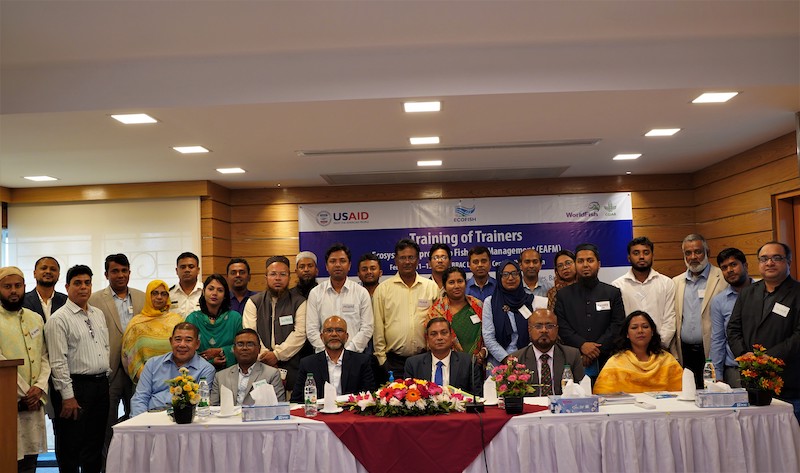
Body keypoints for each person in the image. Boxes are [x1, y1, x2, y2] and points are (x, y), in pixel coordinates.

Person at [45, 265, 110, 473]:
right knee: (70, 448)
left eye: (87, 283)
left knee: (95, 445)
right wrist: (67, 396)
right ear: (67, 286)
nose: (83, 287)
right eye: (77, 283)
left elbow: (105, 347)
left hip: (100, 386)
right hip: (75, 389)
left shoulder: (98, 313)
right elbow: (57, 362)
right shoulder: (59, 319)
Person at [728, 241, 800, 423]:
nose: (770, 263)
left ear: (788, 262)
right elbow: (733, 329)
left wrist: (768, 358)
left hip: (789, 384)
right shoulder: (748, 293)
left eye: (777, 258)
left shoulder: (798, 293)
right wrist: (745, 356)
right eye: (764, 259)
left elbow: (798, 336)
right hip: (751, 383)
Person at [88, 253, 145, 450]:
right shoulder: (94, 300)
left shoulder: (143, 298)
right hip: (108, 370)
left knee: (137, 420)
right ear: (106, 274)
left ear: (129, 272)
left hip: (138, 370)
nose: (120, 275)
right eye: (115, 271)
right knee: (106, 424)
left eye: (124, 271)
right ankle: (107, 465)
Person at [0, 267, 50, 473]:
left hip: (34, 403)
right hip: (7, 405)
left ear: (24, 287)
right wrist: (24, 392)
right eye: (7, 286)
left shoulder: (35, 318)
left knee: (30, 462)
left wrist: (38, 388)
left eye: (18, 286)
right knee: (8, 461)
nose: (13, 291)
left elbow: (44, 356)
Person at [372, 239, 440, 379]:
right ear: (396, 260)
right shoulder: (383, 289)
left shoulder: (431, 287)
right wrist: (382, 360)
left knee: (426, 400)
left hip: (424, 359)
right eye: (402, 258)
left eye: (411, 257)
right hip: (393, 362)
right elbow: (378, 329)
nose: (407, 261)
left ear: (418, 259)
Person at [555, 243, 625, 379]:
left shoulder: (612, 293)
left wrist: (595, 349)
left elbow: (617, 324)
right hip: (574, 359)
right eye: (580, 261)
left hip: (607, 359)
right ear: (575, 265)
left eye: (590, 260)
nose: (585, 265)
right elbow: (562, 326)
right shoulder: (563, 295)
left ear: (599, 264)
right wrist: (582, 345)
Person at [243, 255, 309, 394]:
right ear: (266, 277)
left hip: (291, 367)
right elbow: (250, 333)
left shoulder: (299, 302)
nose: (278, 278)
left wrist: (277, 355)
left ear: (289, 277)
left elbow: (300, 334)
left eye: (282, 274)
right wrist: (264, 355)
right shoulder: (254, 302)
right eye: (273, 274)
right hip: (260, 366)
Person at [672, 234, 728, 388]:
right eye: (688, 253)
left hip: (712, 353)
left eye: (698, 252)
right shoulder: (676, 282)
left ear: (707, 252)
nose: (693, 257)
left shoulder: (722, 278)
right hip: (685, 353)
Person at [130, 322, 215, 416]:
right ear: (171, 341)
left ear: (197, 344)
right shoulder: (153, 364)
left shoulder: (205, 369)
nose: (182, 345)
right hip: (151, 418)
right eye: (178, 339)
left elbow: (201, 405)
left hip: (184, 421)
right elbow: (140, 398)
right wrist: (141, 423)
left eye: (188, 340)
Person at [593, 311, 683, 394]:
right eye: (634, 327)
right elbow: (602, 396)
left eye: (645, 327)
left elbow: (683, 391)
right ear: (627, 334)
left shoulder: (667, 360)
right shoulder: (615, 363)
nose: (640, 331)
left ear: (652, 331)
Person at [306, 243, 373, 353]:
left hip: (355, 356)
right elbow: (311, 329)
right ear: (327, 266)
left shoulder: (361, 293)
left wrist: (348, 352)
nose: (337, 265)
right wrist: (327, 352)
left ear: (349, 265)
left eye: (342, 261)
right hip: (324, 357)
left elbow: (367, 328)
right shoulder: (315, 293)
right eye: (333, 261)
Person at [291, 316, 375, 402]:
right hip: (319, 413)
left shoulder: (361, 362)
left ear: (346, 337)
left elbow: (369, 398)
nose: (334, 334)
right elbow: (296, 401)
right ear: (321, 337)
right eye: (329, 330)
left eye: (339, 330)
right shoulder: (308, 364)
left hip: (350, 413)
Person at [612, 237, 677, 348]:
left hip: (661, 349)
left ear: (652, 256)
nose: (641, 257)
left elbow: (670, 319)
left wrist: (658, 344)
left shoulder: (666, 283)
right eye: (636, 253)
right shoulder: (617, 286)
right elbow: (618, 322)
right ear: (629, 258)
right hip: (628, 350)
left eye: (646, 252)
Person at [121, 280, 184, 384]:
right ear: (148, 296)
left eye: (163, 294)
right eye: (155, 293)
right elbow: (130, 357)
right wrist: (148, 379)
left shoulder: (177, 321)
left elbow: (185, 351)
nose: (159, 297)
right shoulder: (137, 324)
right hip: (146, 382)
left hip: (175, 380)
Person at [509, 308, 584, 396]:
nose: (544, 330)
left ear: (557, 330)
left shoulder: (572, 355)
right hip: (531, 408)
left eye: (549, 326)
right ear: (529, 330)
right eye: (538, 326)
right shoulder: (516, 359)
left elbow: (581, 391)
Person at [404, 317, 483, 395]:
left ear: (451, 336)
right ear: (427, 339)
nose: (439, 337)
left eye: (444, 333)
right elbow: (409, 396)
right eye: (434, 334)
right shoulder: (413, 364)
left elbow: (476, 396)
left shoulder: (468, 362)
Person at [709, 248, 752, 387]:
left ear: (745, 266)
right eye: (724, 267)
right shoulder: (719, 301)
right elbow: (718, 339)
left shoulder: (763, 290)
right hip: (734, 369)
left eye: (733, 264)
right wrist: (717, 375)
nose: (729, 270)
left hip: (763, 366)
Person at [211, 328, 285, 405]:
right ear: (234, 349)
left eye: (250, 344)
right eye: (240, 344)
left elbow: (279, 407)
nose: (245, 348)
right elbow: (213, 408)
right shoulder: (220, 376)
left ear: (259, 349)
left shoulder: (272, 374)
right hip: (229, 416)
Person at [482, 260, 535, 367]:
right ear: (499, 278)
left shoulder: (530, 301)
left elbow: (535, 335)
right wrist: (506, 359)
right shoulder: (490, 302)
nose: (510, 278)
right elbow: (488, 337)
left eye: (514, 273)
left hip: (527, 359)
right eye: (505, 274)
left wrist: (524, 358)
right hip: (498, 361)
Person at [428, 266, 486, 364]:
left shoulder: (478, 305)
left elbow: (488, 333)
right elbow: (431, 341)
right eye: (451, 282)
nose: (456, 286)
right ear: (444, 286)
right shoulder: (436, 310)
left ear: (465, 283)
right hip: (449, 365)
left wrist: (483, 352)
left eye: (460, 281)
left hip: (478, 363)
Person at [185, 274, 243, 370]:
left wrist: (221, 351)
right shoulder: (193, 319)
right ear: (203, 292)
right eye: (210, 289)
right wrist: (210, 362)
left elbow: (241, 346)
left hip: (230, 373)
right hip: (198, 373)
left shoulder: (235, 318)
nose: (214, 293)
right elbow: (187, 349)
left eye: (220, 290)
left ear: (225, 295)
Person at [22, 256, 67, 321]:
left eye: (53, 269)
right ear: (34, 273)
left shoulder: (66, 301)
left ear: (58, 275)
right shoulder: (23, 301)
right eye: (43, 268)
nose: (48, 271)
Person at [169, 252, 203, 317]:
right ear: (176, 271)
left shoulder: (206, 292)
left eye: (191, 267)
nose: (187, 270)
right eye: (183, 267)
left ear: (198, 270)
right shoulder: (169, 294)